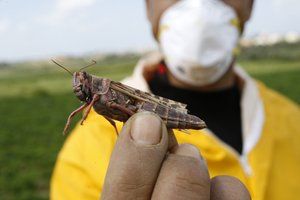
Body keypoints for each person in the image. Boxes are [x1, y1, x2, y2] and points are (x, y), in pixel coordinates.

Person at [51, 0, 300, 199]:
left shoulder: (294, 121)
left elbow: (122, 105)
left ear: (251, 7)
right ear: (148, 7)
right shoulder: (81, 159)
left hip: (153, 106)